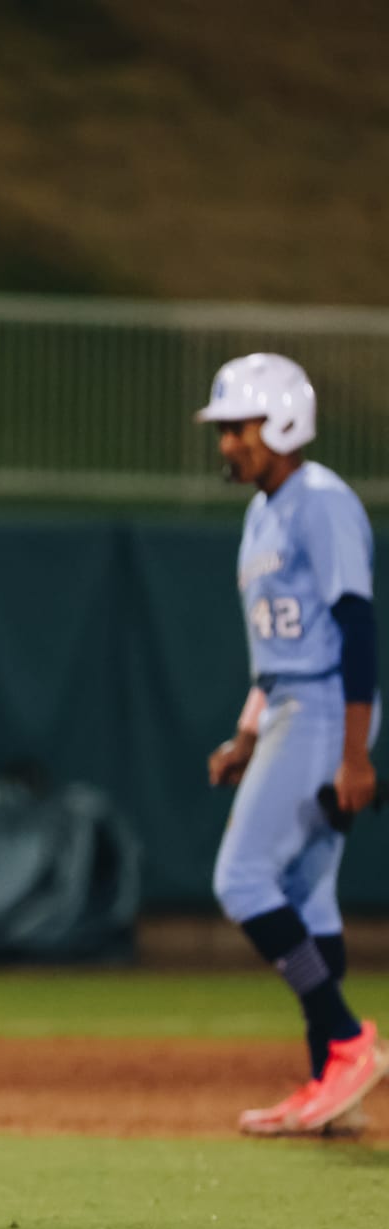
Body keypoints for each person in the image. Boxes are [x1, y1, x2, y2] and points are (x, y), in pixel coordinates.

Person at [198, 352, 387, 1136]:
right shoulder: (262, 511)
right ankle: (328, 1088)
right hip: (289, 705)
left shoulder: (320, 499)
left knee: (242, 880)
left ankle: (346, 1041)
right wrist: (247, 732)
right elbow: (278, 649)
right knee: (307, 896)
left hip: (324, 710)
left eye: (238, 427)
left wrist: (354, 752)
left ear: (280, 421)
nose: (227, 444)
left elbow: (356, 628)